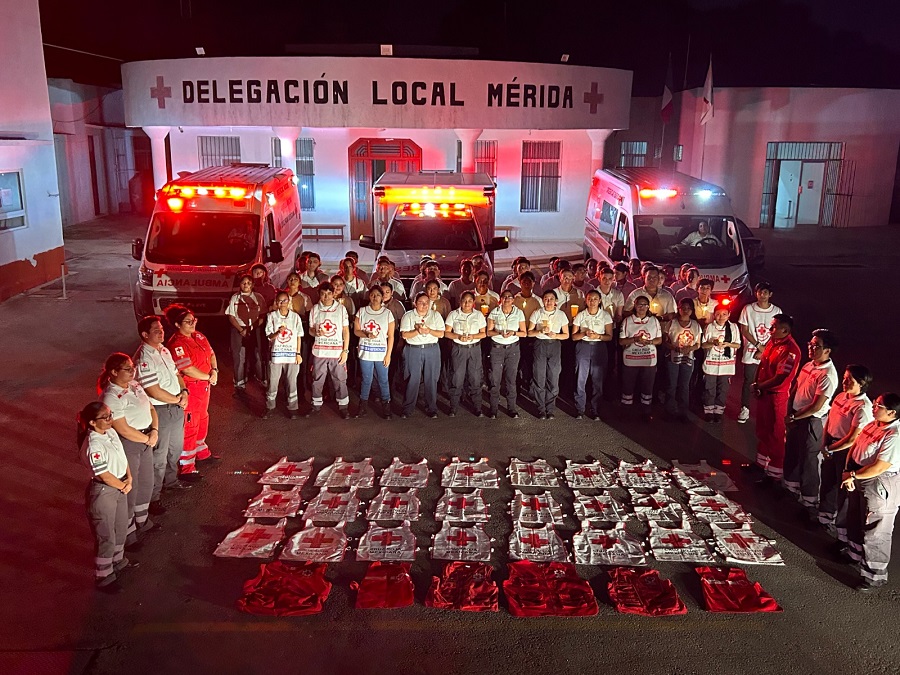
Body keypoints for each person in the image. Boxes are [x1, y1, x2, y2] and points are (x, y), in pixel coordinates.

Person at [841, 393, 900, 591]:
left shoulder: (894, 435)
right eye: (874, 403)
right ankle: (854, 554)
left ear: (891, 413)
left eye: (878, 405)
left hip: (878, 481)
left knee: (876, 529)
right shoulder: (874, 424)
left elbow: (879, 467)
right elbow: (855, 447)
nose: (874, 407)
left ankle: (875, 576)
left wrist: (853, 475)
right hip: (859, 475)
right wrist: (848, 471)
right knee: (855, 517)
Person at [99, 353, 158, 549]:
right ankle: (129, 535)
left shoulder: (135, 385)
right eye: (127, 369)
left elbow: (151, 409)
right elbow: (122, 428)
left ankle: (142, 521)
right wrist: (147, 438)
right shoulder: (110, 397)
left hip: (146, 439)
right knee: (130, 492)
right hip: (130, 444)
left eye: (133, 367)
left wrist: (154, 431)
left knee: (146, 483)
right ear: (114, 372)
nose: (133, 371)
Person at [784, 329, 840, 520]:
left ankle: (809, 502)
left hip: (811, 421)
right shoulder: (809, 365)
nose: (811, 347)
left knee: (809, 460)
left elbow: (817, 405)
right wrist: (789, 411)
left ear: (827, 350)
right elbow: (796, 388)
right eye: (810, 343)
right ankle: (791, 489)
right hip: (797, 416)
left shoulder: (828, 374)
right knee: (792, 453)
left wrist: (795, 416)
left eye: (816, 346)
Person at [134, 316, 189, 508]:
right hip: (160, 410)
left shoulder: (163, 350)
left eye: (161, 329)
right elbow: (153, 390)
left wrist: (184, 391)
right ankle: (153, 497)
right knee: (159, 456)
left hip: (175, 407)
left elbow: (176, 374)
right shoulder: (144, 358)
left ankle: (171, 482)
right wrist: (177, 400)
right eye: (156, 330)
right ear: (145, 334)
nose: (161, 333)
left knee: (175, 449)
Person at [78, 401, 133, 593]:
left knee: (120, 527)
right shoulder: (94, 445)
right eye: (106, 417)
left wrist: (129, 477)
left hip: (119, 486)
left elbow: (122, 456)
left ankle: (118, 562)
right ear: (92, 422)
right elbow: (103, 475)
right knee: (106, 536)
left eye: (110, 415)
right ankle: (104, 576)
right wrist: (123, 485)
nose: (110, 419)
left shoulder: (109, 432)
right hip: (105, 492)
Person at [166, 304, 218, 480]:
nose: (193, 323)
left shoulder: (199, 336)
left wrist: (214, 371)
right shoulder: (177, 344)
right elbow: (187, 369)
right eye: (188, 322)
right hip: (192, 388)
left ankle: (201, 452)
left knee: (203, 419)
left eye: (193, 320)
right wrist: (208, 376)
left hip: (204, 387)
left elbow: (211, 354)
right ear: (177, 324)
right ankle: (187, 467)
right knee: (190, 425)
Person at [751, 314, 803, 485]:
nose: (770, 329)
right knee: (763, 430)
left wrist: (760, 386)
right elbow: (763, 364)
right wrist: (757, 384)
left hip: (776, 398)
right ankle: (760, 465)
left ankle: (774, 476)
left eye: (773, 327)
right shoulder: (773, 342)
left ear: (785, 330)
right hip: (764, 393)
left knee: (776, 435)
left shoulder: (791, 350)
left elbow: (780, 378)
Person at [821, 365, 873, 535]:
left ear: (861, 384)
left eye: (849, 380)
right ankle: (824, 518)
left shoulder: (863, 407)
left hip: (845, 451)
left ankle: (842, 533)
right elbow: (830, 421)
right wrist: (824, 443)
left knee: (843, 491)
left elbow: (852, 438)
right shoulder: (841, 396)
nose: (844, 382)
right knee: (828, 483)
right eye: (844, 378)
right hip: (831, 445)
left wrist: (831, 448)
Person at [737, 282, 782, 424]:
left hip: (769, 354)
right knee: (748, 381)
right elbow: (744, 330)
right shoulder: (748, 309)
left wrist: (765, 350)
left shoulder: (776, 311)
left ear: (770, 294)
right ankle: (745, 408)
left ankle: (765, 411)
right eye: (760, 292)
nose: (762, 295)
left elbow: (778, 333)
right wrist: (758, 346)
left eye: (765, 293)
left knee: (767, 382)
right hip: (751, 352)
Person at [309, 281, 351, 418]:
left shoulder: (341, 309)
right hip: (320, 351)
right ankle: (315, 406)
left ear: (334, 294)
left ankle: (343, 407)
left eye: (329, 293)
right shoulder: (315, 309)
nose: (326, 297)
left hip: (336, 351)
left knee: (340, 380)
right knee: (317, 380)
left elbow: (346, 331)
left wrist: (345, 351)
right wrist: (316, 332)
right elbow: (310, 329)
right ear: (319, 295)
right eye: (323, 294)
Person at [399, 292, 446, 419]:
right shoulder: (408, 316)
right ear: (415, 303)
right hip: (413, 349)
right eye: (421, 302)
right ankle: (408, 408)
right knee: (412, 379)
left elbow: (441, 334)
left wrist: (429, 330)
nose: (424, 305)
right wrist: (417, 331)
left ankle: (431, 407)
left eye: (427, 302)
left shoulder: (435, 315)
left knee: (431, 379)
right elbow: (404, 335)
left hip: (431, 349)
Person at [527, 290, 570, 420]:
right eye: (546, 298)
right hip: (540, 344)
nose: (549, 301)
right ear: (543, 300)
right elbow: (529, 332)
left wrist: (556, 335)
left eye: (551, 299)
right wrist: (540, 330)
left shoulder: (561, 314)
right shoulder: (537, 313)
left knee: (553, 377)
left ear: (556, 301)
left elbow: (566, 335)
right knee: (539, 376)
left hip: (554, 345)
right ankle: (541, 409)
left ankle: (550, 408)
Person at [572, 290, 614, 420]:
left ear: (600, 300)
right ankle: (580, 408)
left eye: (595, 299)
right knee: (580, 378)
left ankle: (595, 409)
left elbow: (609, 336)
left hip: (599, 347)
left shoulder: (605, 315)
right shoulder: (581, 315)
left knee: (598, 379)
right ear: (586, 300)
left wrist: (598, 336)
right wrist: (584, 333)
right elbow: (574, 336)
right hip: (583, 347)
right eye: (590, 299)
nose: (592, 301)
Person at [445, 291, 488, 417]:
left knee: (475, 378)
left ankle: (477, 407)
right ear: (460, 301)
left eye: (469, 301)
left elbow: (483, 333)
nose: (467, 303)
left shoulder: (478, 315)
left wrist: (473, 336)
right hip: (459, 349)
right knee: (457, 377)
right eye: (464, 300)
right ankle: (453, 407)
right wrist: (458, 336)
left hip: (474, 348)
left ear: (473, 302)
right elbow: (447, 332)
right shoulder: (453, 314)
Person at [619, 297, 662, 421]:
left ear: (648, 307)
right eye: (639, 305)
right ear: (635, 305)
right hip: (631, 359)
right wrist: (635, 339)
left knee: (647, 387)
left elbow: (659, 339)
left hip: (648, 359)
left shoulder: (654, 321)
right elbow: (621, 341)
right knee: (628, 386)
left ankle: (646, 411)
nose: (642, 307)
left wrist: (649, 342)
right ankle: (626, 411)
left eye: (645, 305)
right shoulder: (627, 321)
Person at [355, 285, 395, 419]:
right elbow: (356, 331)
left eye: (378, 295)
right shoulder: (362, 311)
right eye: (372, 295)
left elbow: (391, 336)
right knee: (366, 379)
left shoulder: (387, 313)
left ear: (382, 297)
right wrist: (366, 334)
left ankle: (386, 406)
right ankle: (362, 406)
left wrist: (388, 355)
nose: (375, 297)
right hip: (366, 352)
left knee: (383, 379)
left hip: (381, 353)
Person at [262, 291, 304, 419]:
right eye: (279, 301)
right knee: (273, 382)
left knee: (292, 382)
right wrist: (277, 333)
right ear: (276, 302)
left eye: (284, 300)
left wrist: (298, 353)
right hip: (276, 355)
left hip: (291, 355)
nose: (282, 303)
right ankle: (270, 407)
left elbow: (299, 336)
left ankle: (293, 408)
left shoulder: (295, 317)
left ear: (289, 301)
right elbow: (269, 336)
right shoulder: (272, 316)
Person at [487, 290, 527, 418]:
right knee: (495, 379)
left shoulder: (518, 313)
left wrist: (513, 333)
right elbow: (489, 332)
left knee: (511, 379)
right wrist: (499, 332)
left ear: (513, 300)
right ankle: (493, 409)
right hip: (497, 349)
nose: (507, 299)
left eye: (510, 297)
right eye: (504, 297)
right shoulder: (495, 312)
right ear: (501, 299)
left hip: (512, 349)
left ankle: (512, 408)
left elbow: (524, 333)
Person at [226, 274, 266, 395]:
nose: (246, 285)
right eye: (243, 283)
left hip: (255, 330)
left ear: (253, 285)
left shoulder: (258, 298)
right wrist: (241, 330)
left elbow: (262, 315)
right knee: (239, 356)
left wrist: (251, 328)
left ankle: (262, 379)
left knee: (258, 355)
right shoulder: (235, 298)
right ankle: (239, 384)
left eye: (249, 283)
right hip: (239, 331)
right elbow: (231, 316)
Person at [700, 303, 742, 422]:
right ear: (714, 315)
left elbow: (738, 345)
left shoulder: (733, 327)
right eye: (718, 314)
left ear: (729, 315)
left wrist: (728, 344)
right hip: (711, 363)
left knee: (723, 388)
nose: (721, 317)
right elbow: (703, 345)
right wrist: (713, 343)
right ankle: (709, 410)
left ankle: (719, 411)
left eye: (724, 314)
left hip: (726, 364)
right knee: (710, 387)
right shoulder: (709, 327)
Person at [664, 298, 702, 422]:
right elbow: (665, 341)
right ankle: (670, 410)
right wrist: (675, 348)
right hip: (673, 358)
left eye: (688, 308)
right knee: (672, 384)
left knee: (684, 385)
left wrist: (690, 348)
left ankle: (683, 411)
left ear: (692, 310)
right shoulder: (672, 323)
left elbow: (698, 344)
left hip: (688, 358)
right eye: (683, 308)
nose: (685, 311)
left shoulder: (695, 325)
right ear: (679, 309)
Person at [284, 272, 313, 393]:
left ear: (299, 282)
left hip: (300, 332)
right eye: (290, 279)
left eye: (295, 279)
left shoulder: (305, 298)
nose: (292, 281)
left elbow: (309, 315)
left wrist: (296, 316)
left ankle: (301, 388)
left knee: (301, 360)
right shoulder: (283, 296)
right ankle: (287, 388)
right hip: (285, 333)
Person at [514, 271, 541, 396]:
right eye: (524, 281)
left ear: (533, 283)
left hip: (531, 336)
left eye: (529, 281)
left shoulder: (537, 301)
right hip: (518, 335)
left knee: (531, 363)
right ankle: (517, 388)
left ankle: (531, 387)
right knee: (517, 363)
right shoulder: (515, 299)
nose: (526, 284)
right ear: (520, 283)